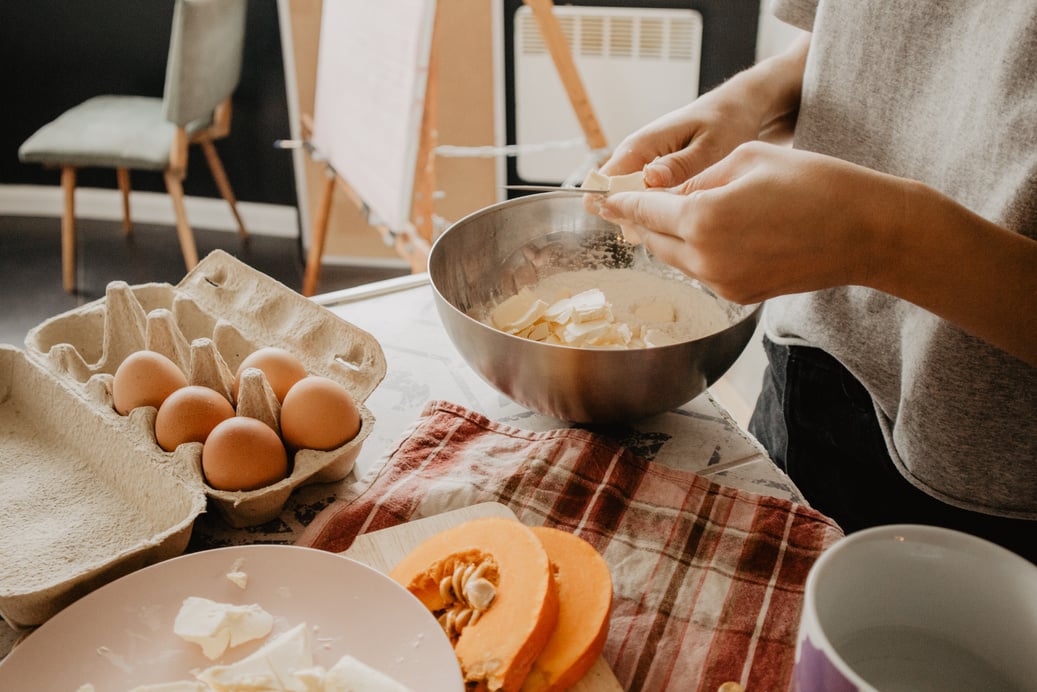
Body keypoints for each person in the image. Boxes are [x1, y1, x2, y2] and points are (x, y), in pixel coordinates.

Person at [593, 0, 1037, 561]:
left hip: (986, 478)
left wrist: (885, 239)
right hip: (803, 372)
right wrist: (753, 98)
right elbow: (864, 36)